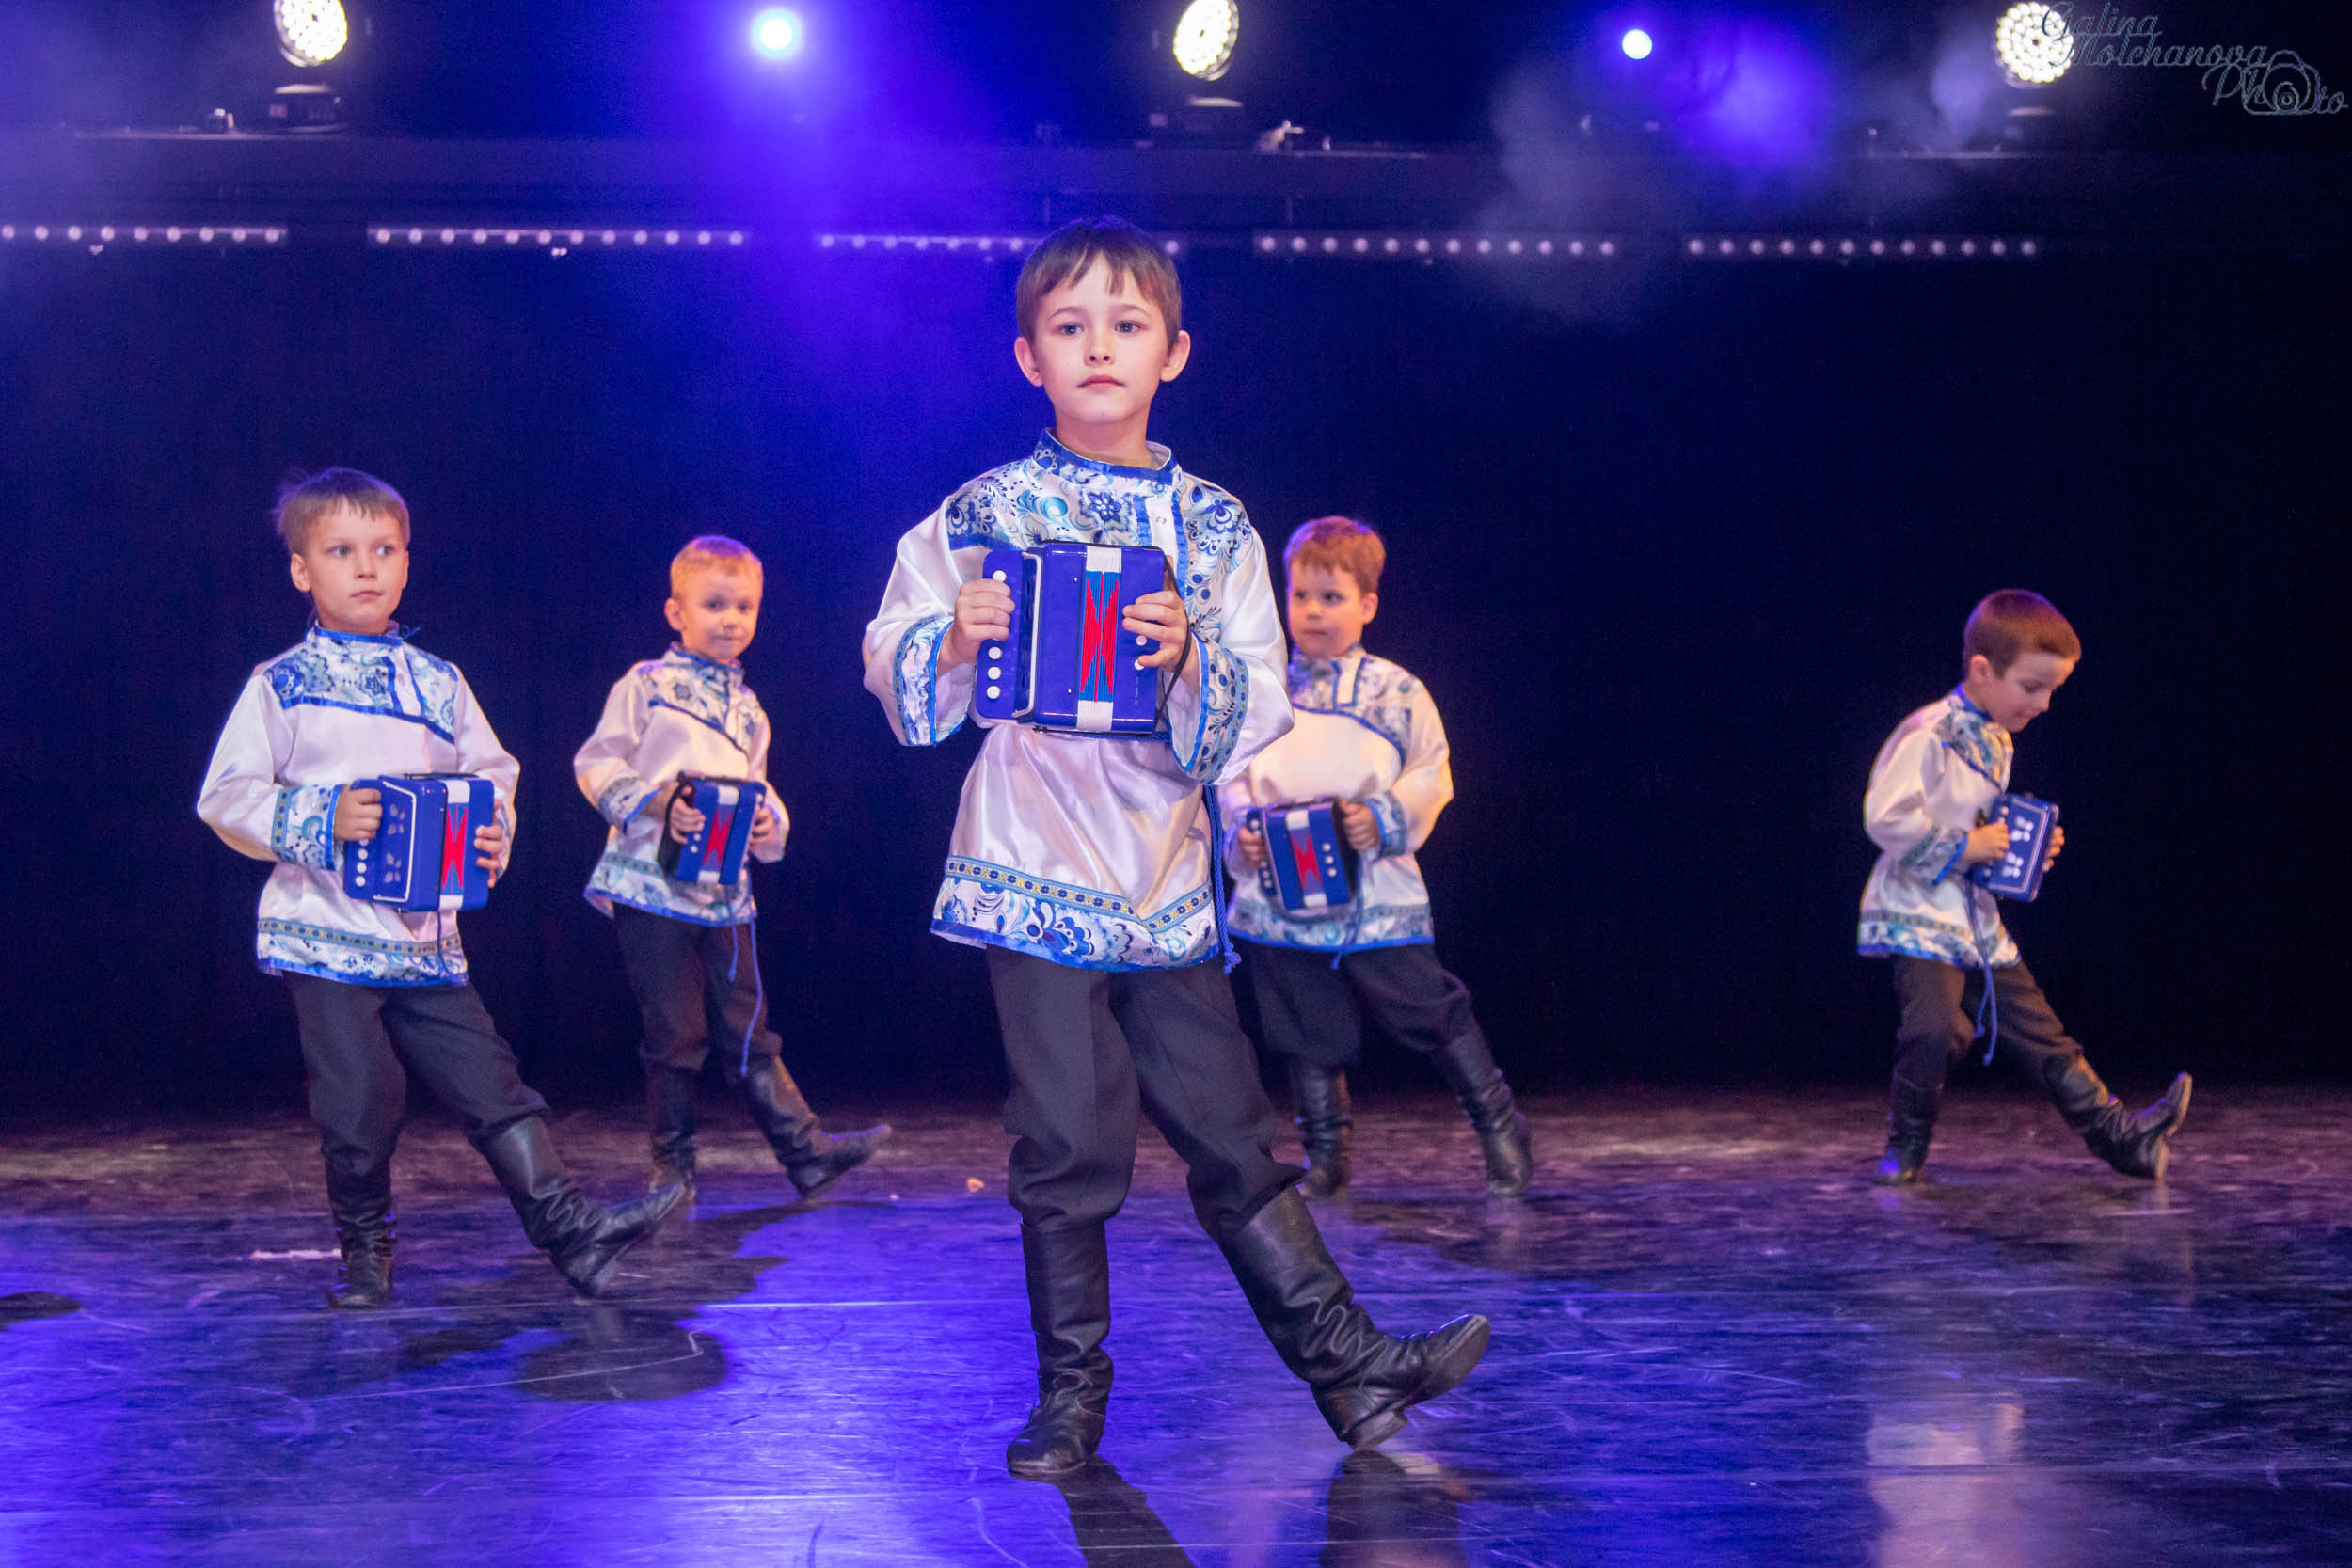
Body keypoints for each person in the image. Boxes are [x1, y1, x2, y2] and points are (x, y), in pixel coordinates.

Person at [860, 216, 1490, 1479]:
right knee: (1067, 1137)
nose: (1100, 346)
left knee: (1229, 1132)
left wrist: (1196, 654)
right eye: (1071, 325)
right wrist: (960, 634)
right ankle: (1071, 1399)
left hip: (1159, 877)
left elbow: (1258, 697)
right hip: (1031, 863)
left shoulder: (1214, 527)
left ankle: (1352, 1371)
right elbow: (896, 667)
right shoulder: (982, 509)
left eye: (1128, 323)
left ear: (1176, 351)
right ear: (1029, 355)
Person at [198, 467, 685, 1308]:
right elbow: (226, 796)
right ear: (301, 569)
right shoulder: (278, 684)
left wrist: (491, 829)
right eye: (342, 550)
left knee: (491, 1083)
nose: (366, 567)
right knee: (361, 1103)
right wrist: (321, 815)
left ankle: (572, 1232)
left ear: (407, 562)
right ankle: (364, 1252)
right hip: (326, 933)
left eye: (384, 549)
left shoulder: (437, 680)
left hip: (424, 938)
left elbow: (491, 769)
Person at [1222, 516, 1532, 1199]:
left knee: (1424, 1003)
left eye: (1331, 597)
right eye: (1301, 595)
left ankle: (1499, 1121)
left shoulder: (1397, 692)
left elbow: (1432, 771)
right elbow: (1229, 772)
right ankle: (1327, 1157)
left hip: (1373, 884)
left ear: (1367, 604)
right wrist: (1241, 830)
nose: (1312, 612)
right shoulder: (1261, 688)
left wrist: (1383, 817)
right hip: (1283, 885)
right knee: (1304, 1023)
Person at [573, 533, 888, 1201]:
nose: (730, 619)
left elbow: (755, 786)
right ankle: (673, 1169)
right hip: (650, 885)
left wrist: (772, 825)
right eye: (714, 604)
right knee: (676, 1029)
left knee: (747, 1026)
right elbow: (596, 761)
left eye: (744, 607)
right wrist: (657, 802)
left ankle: (805, 1153)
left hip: (722, 891)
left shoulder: (749, 710)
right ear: (675, 611)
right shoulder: (647, 686)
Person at [1859, 589, 2191, 1184]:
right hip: (1919, 909)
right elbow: (1885, 815)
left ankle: (2124, 1140)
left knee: (2039, 1031)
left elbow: (1981, 825)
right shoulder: (1928, 733)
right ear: (1983, 671)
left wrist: (2021, 851)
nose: (2041, 704)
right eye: (2031, 688)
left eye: (2051, 692)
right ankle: (1904, 1148)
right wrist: (1967, 846)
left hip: (1973, 915)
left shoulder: (1997, 739)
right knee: (1933, 1028)